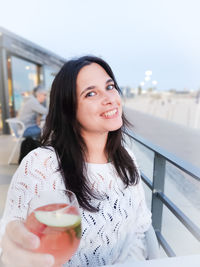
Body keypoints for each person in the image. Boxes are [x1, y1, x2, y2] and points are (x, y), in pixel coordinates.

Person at [0, 56, 152, 266]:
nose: (109, 98)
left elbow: (138, 231)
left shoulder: (127, 159)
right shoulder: (41, 165)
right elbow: (10, 239)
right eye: (91, 93)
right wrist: (11, 255)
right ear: (68, 110)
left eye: (110, 86)